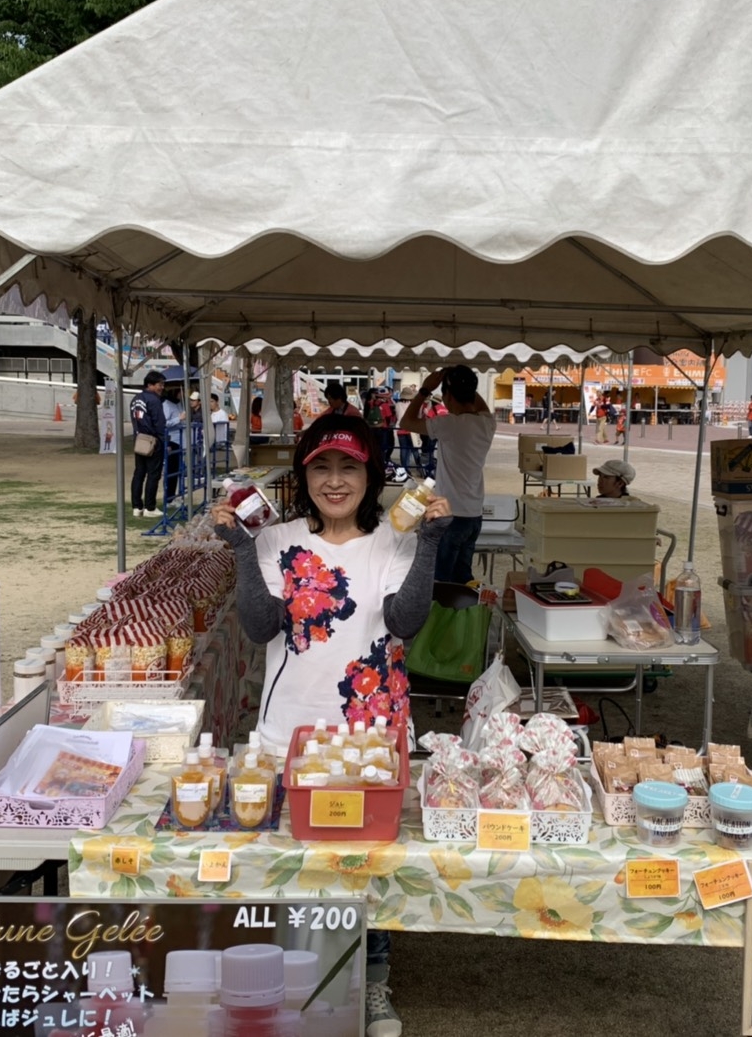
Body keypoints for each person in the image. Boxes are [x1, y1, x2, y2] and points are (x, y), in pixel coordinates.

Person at [212, 415, 449, 1037]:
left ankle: (372, 980)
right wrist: (241, 549)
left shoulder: (395, 539)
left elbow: (403, 623)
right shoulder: (275, 538)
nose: (335, 481)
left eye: (350, 467)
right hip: (289, 729)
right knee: (292, 864)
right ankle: (296, 984)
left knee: (368, 865)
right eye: (321, 467)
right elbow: (261, 627)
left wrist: (428, 544)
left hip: (371, 734)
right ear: (303, 474)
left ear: (371, 476)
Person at [402, 365, 496, 584]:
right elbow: (477, 402)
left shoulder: (449, 423)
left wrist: (425, 390)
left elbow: (406, 422)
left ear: (448, 396)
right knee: (462, 578)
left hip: (449, 514)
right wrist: (460, 379)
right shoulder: (487, 423)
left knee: (441, 580)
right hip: (474, 515)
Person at [128, 371, 168, 516]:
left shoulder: (135, 399)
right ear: (150, 385)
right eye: (159, 384)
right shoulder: (154, 400)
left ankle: (137, 506)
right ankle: (150, 507)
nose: (162, 387)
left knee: (139, 473)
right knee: (153, 474)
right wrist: (164, 441)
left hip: (139, 440)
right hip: (153, 440)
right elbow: (159, 423)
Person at [395, 388, 422, 477]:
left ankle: (404, 469)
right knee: (414, 450)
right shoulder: (412, 405)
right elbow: (418, 416)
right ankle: (420, 468)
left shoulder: (397, 404)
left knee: (403, 450)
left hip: (400, 429)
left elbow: (397, 416)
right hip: (411, 429)